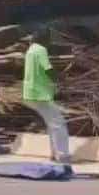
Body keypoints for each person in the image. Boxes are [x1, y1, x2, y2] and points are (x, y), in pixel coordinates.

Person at [22, 29, 72, 174]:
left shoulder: (30, 50)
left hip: (30, 93)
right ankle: (62, 155)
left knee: (52, 124)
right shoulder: (41, 50)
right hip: (40, 94)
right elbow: (48, 69)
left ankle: (54, 153)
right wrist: (59, 80)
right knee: (58, 123)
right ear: (44, 39)